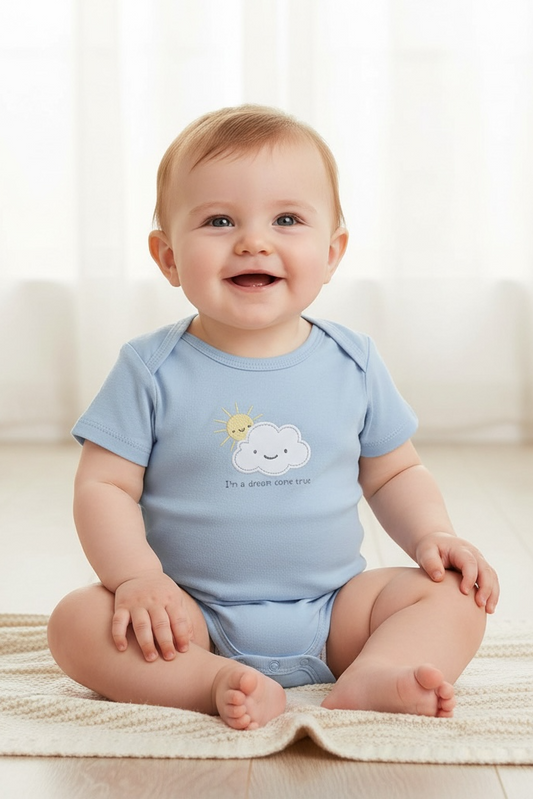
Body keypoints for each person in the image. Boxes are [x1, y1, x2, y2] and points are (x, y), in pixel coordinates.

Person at [47, 104, 499, 731]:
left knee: (455, 596)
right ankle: (213, 682)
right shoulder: (150, 368)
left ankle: (377, 670)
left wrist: (432, 536)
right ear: (168, 256)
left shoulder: (353, 361)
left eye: (287, 219)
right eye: (218, 220)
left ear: (333, 252)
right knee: (75, 624)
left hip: (337, 610)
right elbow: (103, 486)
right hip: (187, 617)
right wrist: (139, 581)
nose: (253, 240)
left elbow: (395, 473)